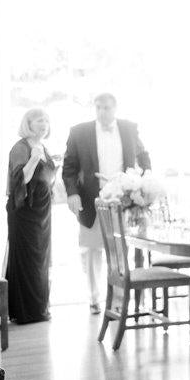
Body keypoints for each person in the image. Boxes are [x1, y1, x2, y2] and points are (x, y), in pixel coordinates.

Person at [62, 93, 151, 314]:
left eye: (107, 108)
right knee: (93, 250)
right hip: (93, 199)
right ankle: (94, 298)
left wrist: (145, 181)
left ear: (116, 108)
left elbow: (143, 155)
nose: (103, 112)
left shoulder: (130, 128)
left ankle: (119, 298)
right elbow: (69, 167)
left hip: (125, 199)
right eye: (99, 108)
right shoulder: (79, 131)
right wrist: (72, 194)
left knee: (120, 249)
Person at [5, 108, 57, 324]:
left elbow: (47, 178)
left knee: (41, 260)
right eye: (38, 120)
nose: (43, 124)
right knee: (28, 259)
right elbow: (19, 181)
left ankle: (39, 309)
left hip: (42, 214)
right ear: (28, 123)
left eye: (46, 120)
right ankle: (26, 312)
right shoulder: (21, 147)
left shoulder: (42, 147)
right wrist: (34, 159)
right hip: (25, 214)